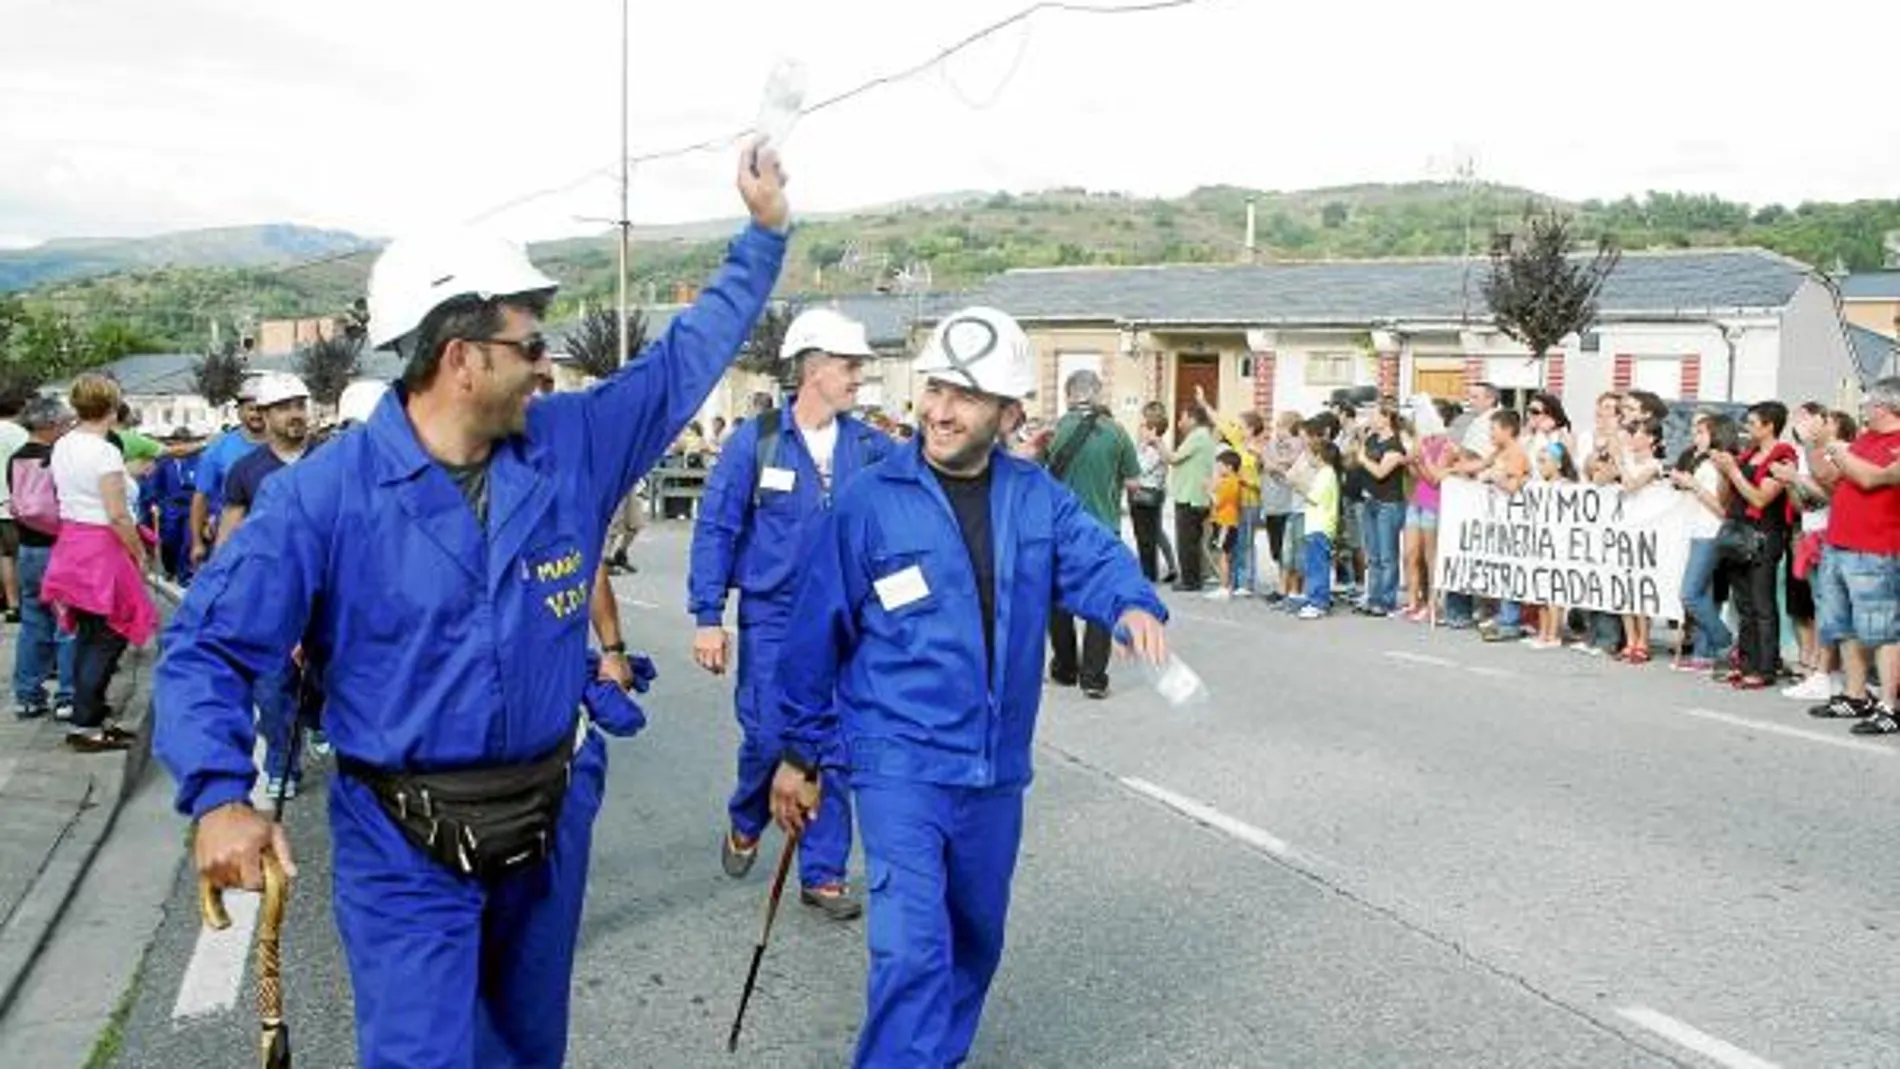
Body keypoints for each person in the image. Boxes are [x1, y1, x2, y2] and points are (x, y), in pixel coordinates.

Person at [154, 142, 789, 1069]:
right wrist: (219, 796)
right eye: (529, 345)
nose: (545, 366)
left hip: (549, 816)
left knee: (528, 1052)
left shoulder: (569, 444)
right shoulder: (323, 498)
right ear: (460, 357)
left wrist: (762, 238)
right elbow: (206, 650)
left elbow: (682, 366)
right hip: (402, 842)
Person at [767, 305, 1168, 1069]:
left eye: (966, 396)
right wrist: (799, 752)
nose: (941, 410)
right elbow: (815, 632)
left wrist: (1132, 603)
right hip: (898, 764)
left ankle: (934, 1056)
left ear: (1009, 413)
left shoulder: (1035, 496)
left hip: (993, 769)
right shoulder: (869, 501)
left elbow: (1095, 556)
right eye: (936, 389)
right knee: (912, 950)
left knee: (974, 938)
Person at [688, 306, 890, 921]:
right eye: (850, 365)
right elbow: (718, 527)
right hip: (772, 618)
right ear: (816, 368)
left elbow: (899, 531)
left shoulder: (873, 448)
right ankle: (748, 814)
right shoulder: (759, 439)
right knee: (771, 737)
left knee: (833, 744)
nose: (859, 376)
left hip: (846, 623)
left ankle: (822, 872)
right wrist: (707, 615)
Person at [42, 375, 159, 752]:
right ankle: (87, 721)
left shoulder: (63, 445)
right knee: (109, 636)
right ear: (113, 405)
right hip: (102, 548)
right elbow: (116, 514)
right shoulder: (104, 451)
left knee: (90, 635)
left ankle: (89, 714)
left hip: (72, 542)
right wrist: (139, 555)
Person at [1806, 377, 1900, 731]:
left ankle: (1890, 706)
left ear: (1883, 406)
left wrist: (1838, 449)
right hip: (1840, 542)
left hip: (1876, 548)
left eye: (1867, 404)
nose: (1862, 410)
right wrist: (1816, 444)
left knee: (1882, 630)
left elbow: (1871, 480)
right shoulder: (1864, 440)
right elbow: (1830, 478)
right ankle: (1855, 696)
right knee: (1843, 626)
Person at [1044, 368, 1140, 695]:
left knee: (1058, 600)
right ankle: (1093, 678)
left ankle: (1065, 667)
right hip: (1103, 530)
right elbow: (1133, 483)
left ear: (1067, 394)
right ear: (1097, 394)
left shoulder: (1052, 431)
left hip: (1060, 531)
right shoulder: (1116, 432)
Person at [1712, 402, 1796, 689]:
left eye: (1751, 422)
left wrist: (1734, 471)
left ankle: (1766, 666)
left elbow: (1761, 499)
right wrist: (1724, 473)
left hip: (1764, 535)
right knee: (1743, 604)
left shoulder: (1783, 456)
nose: (1746, 428)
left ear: (1769, 425)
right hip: (1737, 533)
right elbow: (1726, 499)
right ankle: (1746, 662)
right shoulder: (1747, 455)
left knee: (1762, 604)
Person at [8, 397, 78, 720]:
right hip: (58, 547)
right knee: (66, 623)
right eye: (65, 424)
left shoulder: (16, 458)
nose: (67, 429)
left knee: (33, 621)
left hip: (27, 548)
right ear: (51, 426)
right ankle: (67, 695)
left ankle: (27, 694)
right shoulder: (56, 458)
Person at [188, 374, 266, 569]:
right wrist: (197, 542)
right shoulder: (219, 448)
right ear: (239, 411)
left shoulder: (283, 446)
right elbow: (201, 497)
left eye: (262, 409)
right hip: (230, 537)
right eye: (251, 409)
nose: (257, 414)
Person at [1207, 449, 1242, 599]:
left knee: (1223, 555)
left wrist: (1208, 490)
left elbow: (1218, 502)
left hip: (1225, 523)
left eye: (1220, 466)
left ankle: (1224, 587)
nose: (1218, 469)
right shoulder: (1230, 481)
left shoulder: (1230, 482)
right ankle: (1226, 585)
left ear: (1229, 467)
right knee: (1224, 554)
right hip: (1225, 522)